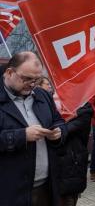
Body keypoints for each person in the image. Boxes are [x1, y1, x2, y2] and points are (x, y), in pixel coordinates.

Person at [0, 51, 66, 206]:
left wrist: (58, 133)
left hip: (46, 187)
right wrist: (21, 136)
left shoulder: (42, 95)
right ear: (9, 72)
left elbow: (59, 121)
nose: (32, 84)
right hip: (9, 192)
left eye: (37, 79)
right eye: (27, 79)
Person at [55, 101, 94, 206]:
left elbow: (62, 131)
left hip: (72, 163)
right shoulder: (53, 104)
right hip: (57, 165)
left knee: (68, 198)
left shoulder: (83, 110)